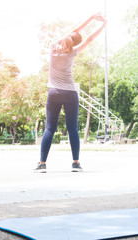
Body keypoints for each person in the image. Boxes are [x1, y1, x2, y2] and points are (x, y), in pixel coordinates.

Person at [34, 13, 107, 173]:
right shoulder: (72, 52)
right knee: (72, 128)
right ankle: (75, 163)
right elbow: (90, 39)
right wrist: (102, 24)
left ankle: (42, 164)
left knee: (49, 129)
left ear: (61, 41)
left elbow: (74, 30)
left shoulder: (53, 49)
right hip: (70, 94)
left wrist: (90, 18)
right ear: (71, 44)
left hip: (54, 93)